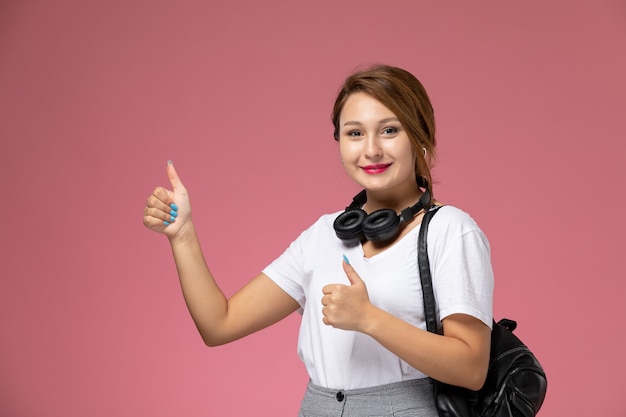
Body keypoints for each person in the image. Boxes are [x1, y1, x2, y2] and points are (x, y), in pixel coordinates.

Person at [143, 64, 494, 416]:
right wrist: (183, 236)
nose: (371, 150)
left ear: (419, 137)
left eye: (389, 130)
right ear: (339, 141)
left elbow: (471, 369)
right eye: (355, 133)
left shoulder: (450, 230)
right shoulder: (323, 235)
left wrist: (369, 318)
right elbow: (219, 324)